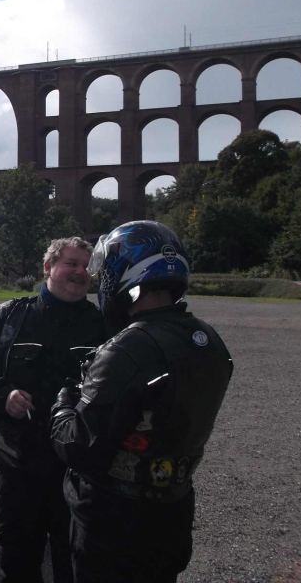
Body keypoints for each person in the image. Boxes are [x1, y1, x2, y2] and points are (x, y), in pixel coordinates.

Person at [50, 221, 233, 582]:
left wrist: (64, 403)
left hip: (115, 522)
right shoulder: (207, 338)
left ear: (125, 271)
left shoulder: (129, 348)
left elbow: (78, 447)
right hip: (173, 508)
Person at [0, 237, 108, 583]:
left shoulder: (103, 325)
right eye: (71, 263)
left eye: (86, 266)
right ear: (48, 267)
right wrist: (3, 394)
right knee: (18, 563)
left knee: (77, 565)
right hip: (18, 466)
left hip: (77, 471)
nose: (80, 272)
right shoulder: (9, 316)